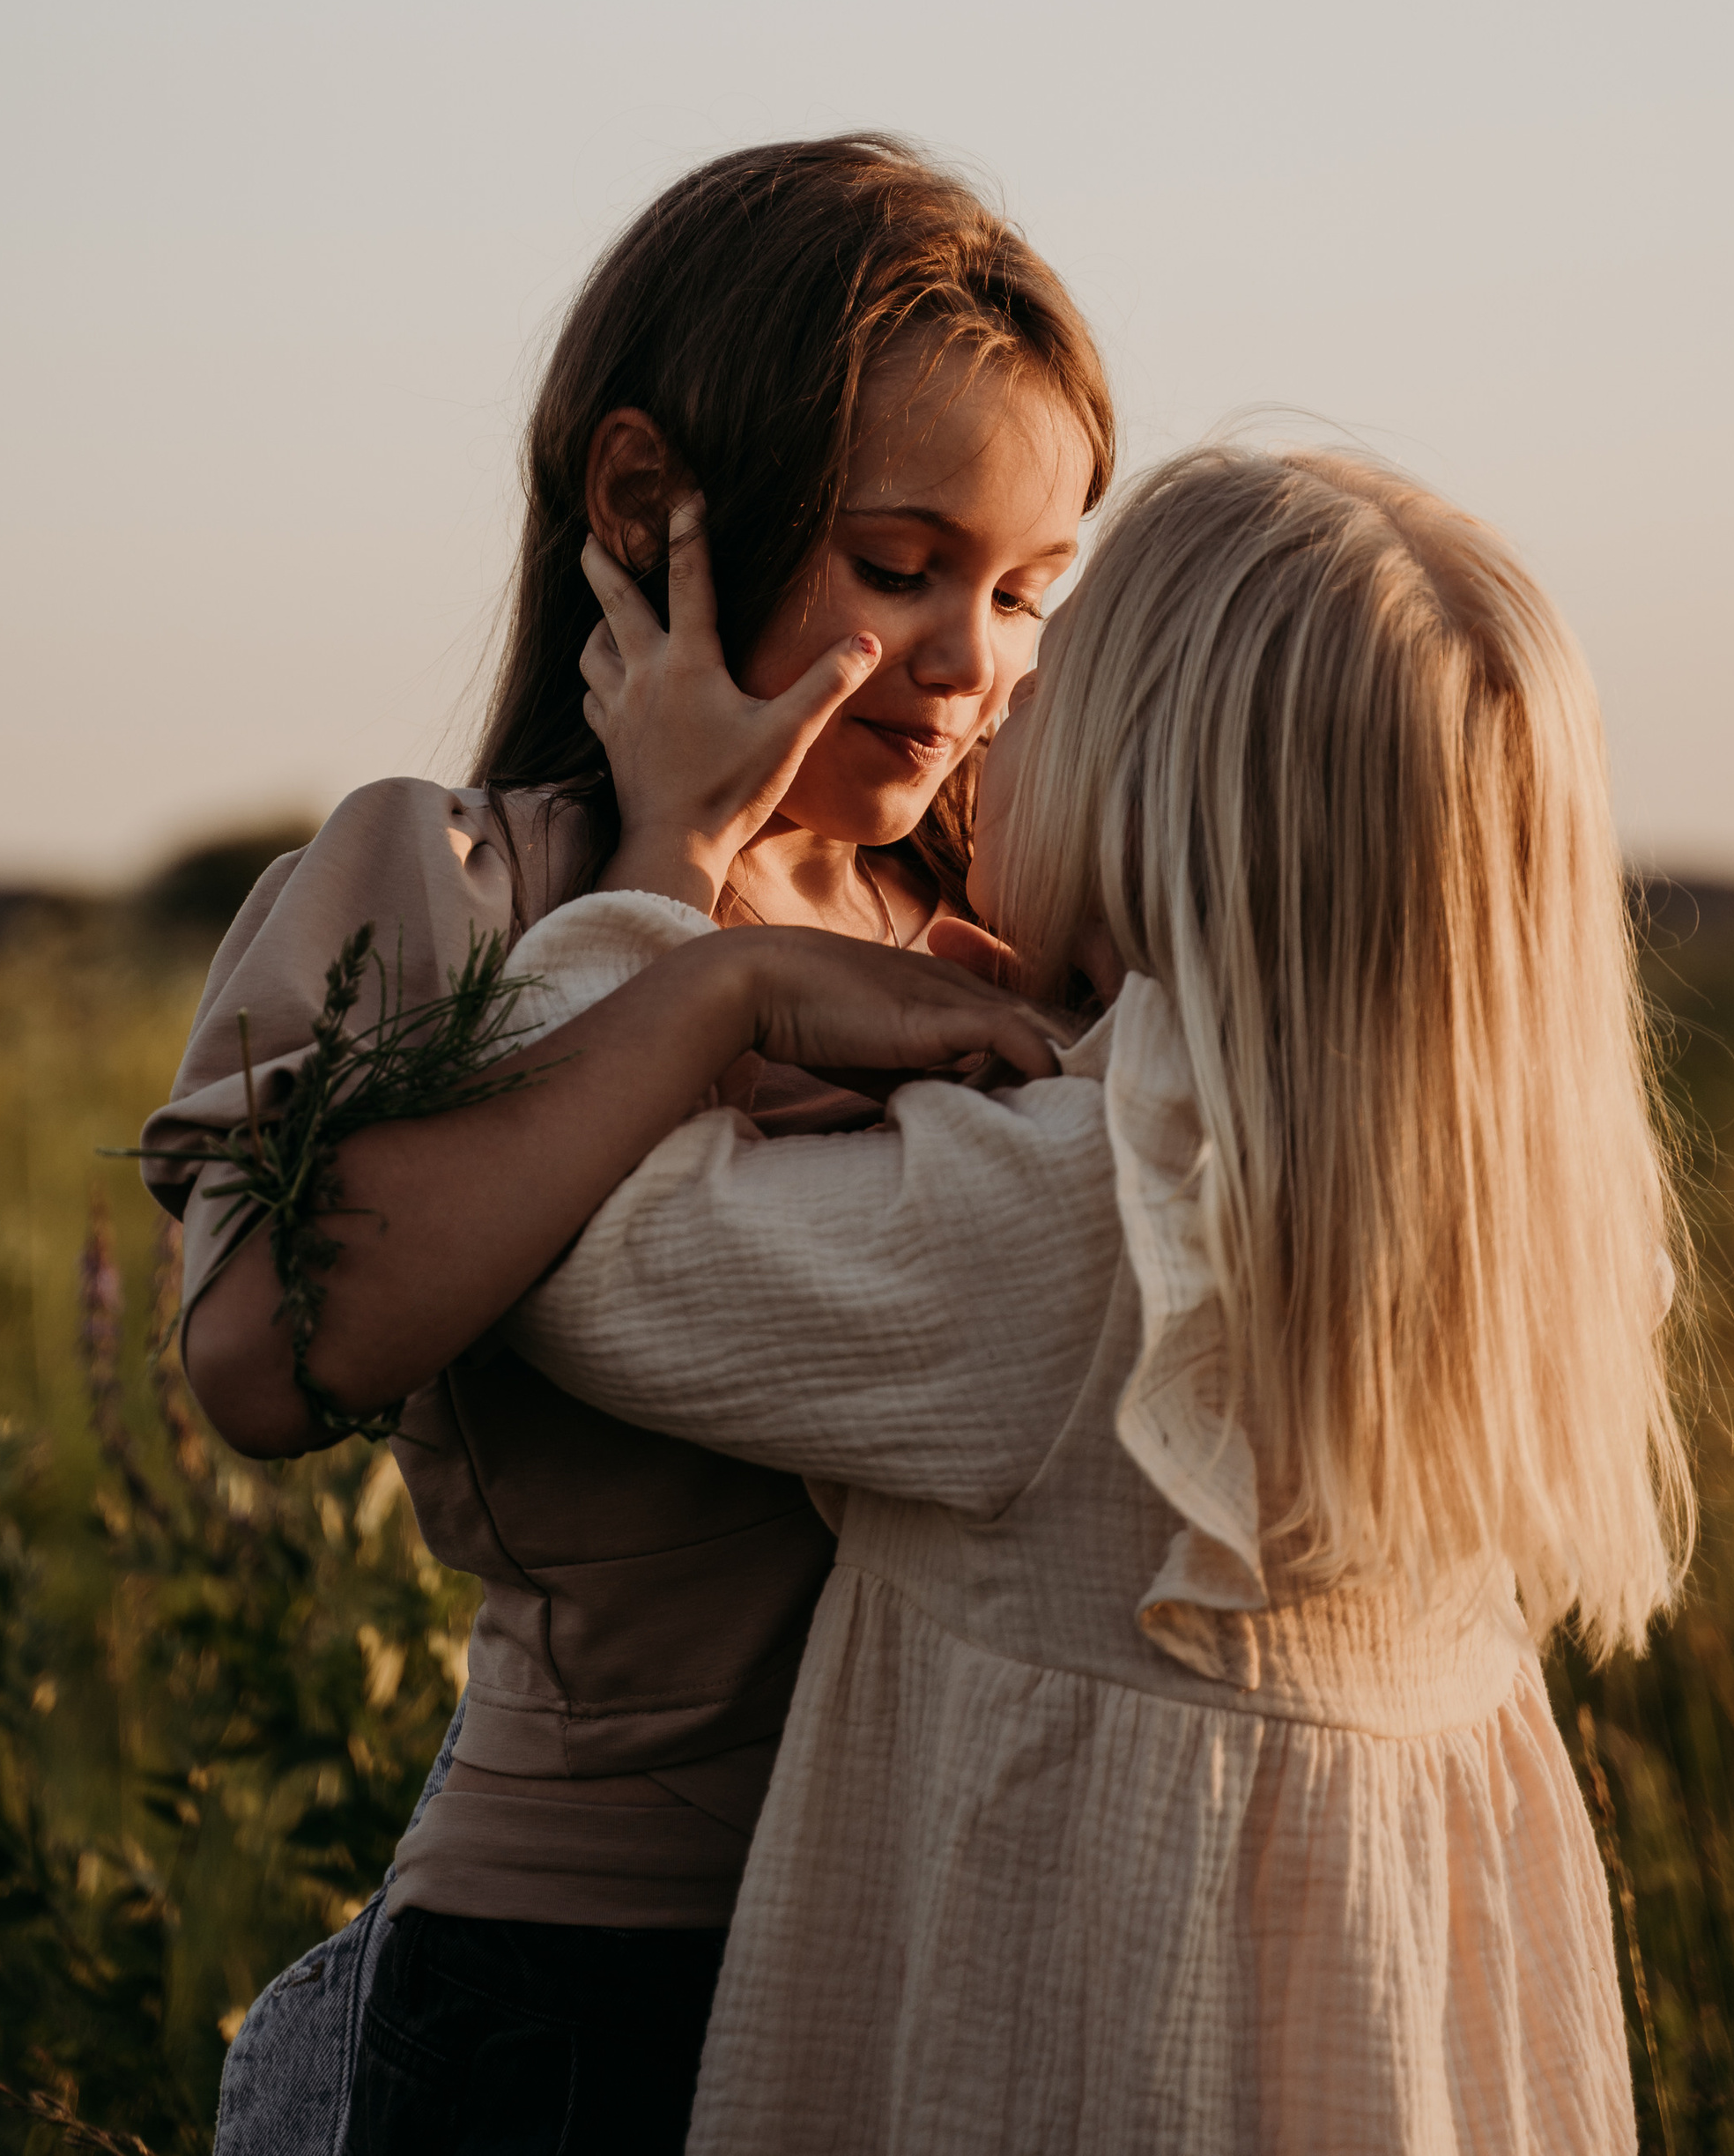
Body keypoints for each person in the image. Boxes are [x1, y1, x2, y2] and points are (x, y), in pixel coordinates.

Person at [485, 444, 1696, 2151]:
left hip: (1091, 2046)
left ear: (1150, 800)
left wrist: (672, 865)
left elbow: (570, 1242)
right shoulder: (1519, 1231)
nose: (992, 704)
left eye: (1050, 683)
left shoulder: (1079, 1219)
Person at [140, 132, 1114, 2153]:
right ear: (644, 502)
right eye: (898, 566)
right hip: (586, 1978)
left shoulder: (999, 923)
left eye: (1027, 592)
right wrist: (690, 944)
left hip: (962, 1935)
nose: (970, 665)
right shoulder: (448, 885)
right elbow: (263, 1354)